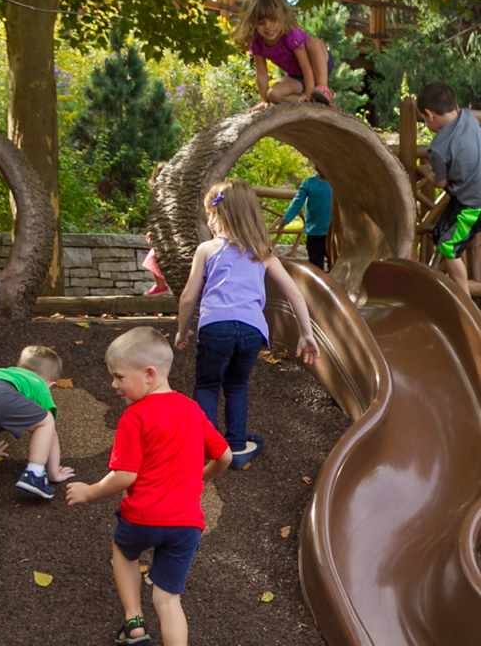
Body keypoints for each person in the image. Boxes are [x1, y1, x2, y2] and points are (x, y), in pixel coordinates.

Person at [66, 327, 231, 646]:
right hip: (187, 524)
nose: (114, 385)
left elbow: (124, 476)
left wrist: (89, 491)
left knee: (123, 550)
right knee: (168, 601)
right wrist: (203, 476)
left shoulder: (135, 416)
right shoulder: (192, 409)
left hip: (142, 517)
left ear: (149, 374)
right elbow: (224, 455)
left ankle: (134, 621)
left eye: (118, 377)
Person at [175, 178, 320, 470]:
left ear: (219, 215)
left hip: (215, 327)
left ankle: (209, 449)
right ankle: (237, 447)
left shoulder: (207, 249)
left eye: (209, 215)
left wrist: (182, 328)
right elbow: (294, 292)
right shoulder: (262, 252)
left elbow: (189, 297)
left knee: (207, 385)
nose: (208, 221)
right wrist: (306, 333)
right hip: (253, 330)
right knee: (237, 384)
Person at [0, 345, 74, 511]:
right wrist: (54, 472)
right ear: (51, 384)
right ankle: (35, 473)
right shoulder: (39, 384)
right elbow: (52, 435)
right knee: (46, 422)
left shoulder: (2, 373)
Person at [417, 82, 481, 295]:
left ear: (429, 115)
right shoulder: (469, 118)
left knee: (447, 246)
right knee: (440, 231)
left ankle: (463, 299)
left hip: (473, 205)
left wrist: (424, 170)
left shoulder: (438, 148)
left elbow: (439, 182)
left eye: (423, 119)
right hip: (468, 196)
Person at [233, 0, 334, 112]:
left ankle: (323, 89)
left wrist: (309, 92)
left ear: (282, 16)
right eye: (261, 23)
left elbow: (306, 66)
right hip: (297, 76)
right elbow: (261, 73)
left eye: (273, 20)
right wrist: (264, 100)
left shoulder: (290, 35)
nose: (269, 27)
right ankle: (309, 103)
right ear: (252, 23)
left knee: (313, 43)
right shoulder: (257, 42)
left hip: (318, 64)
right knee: (273, 95)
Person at [280, 167, 333, 271]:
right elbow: (297, 202)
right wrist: (286, 219)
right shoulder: (309, 183)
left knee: (335, 265)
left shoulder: (337, 184)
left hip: (333, 234)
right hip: (314, 233)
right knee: (316, 268)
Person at [143, 162, 169, 296]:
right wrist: (152, 231)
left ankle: (161, 286)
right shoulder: (158, 195)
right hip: (163, 232)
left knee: (155, 255)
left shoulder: (172, 194)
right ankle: (160, 286)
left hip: (170, 232)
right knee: (155, 256)